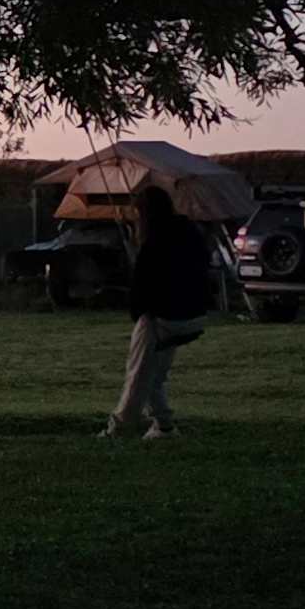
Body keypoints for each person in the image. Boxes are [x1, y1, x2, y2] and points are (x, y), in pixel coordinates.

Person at [101, 183, 220, 440]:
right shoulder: (189, 233)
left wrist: (140, 313)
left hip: (164, 317)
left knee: (139, 373)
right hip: (192, 314)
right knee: (154, 373)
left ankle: (120, 427)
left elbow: (143, 286)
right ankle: (163, 426)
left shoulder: (154, 242)